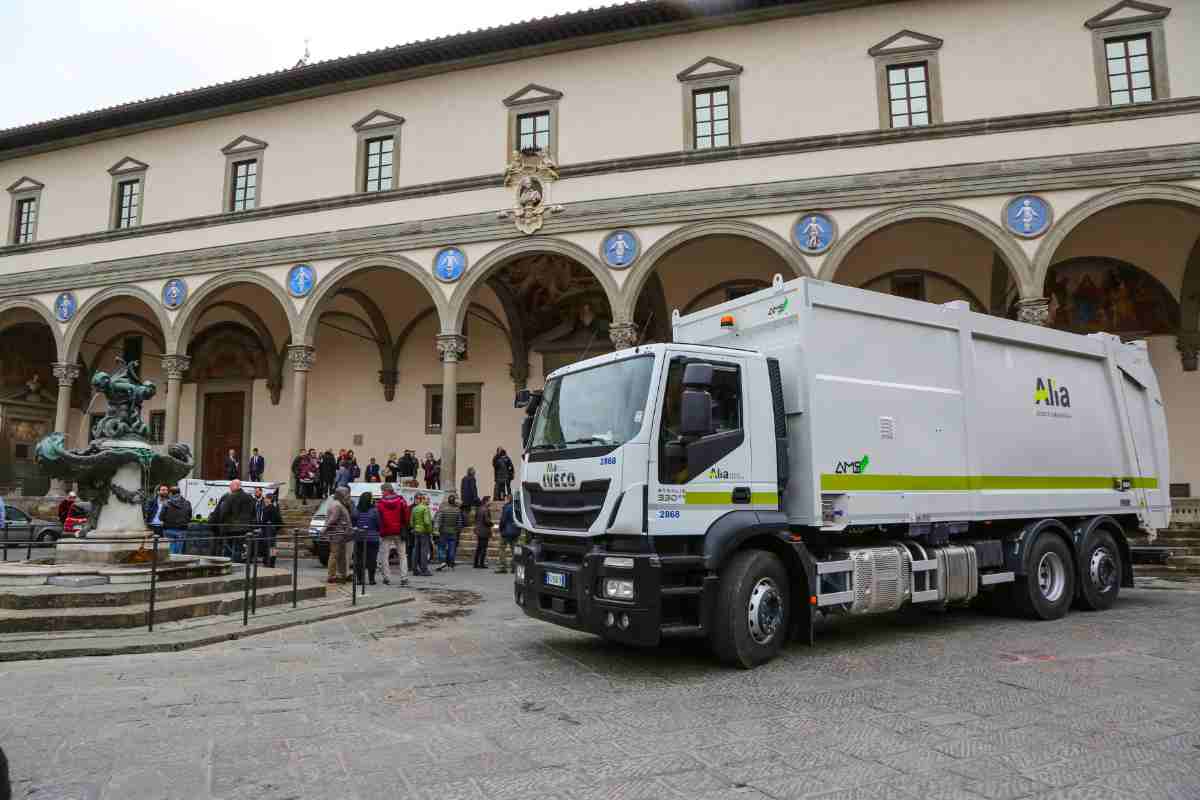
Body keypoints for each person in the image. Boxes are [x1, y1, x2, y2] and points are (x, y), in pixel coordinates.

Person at [209, 479, 257, 561]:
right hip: (246, 527)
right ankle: (238, 561)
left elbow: (224, 512)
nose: (230, 488)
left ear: (236, 486)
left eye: (231, 486)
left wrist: (220, 523)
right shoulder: (249, 497)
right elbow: (253, 512)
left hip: (231, 528)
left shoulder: (230, 497)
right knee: (239, 547)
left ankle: (230, 562)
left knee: (229, 547)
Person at [375, 483, 410, 587]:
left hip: (386, 531)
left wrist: (380, 528)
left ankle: (387, 578)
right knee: (402, 555)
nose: (382, 493)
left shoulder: (380, 503)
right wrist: (405, 525)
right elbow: (406, 514)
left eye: (382, 491)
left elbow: (379, 517)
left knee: (384, 555)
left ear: (386, 491)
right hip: (399, 530)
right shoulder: (401, 500)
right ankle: (404, 578)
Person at [325, 486, 353, 583]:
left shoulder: (340, 504)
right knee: (335, 554)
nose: (347, 495)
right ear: (340, 495)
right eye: (346, 494)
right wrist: (324, 529)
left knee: (341, 555)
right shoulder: (337, 505)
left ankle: (342, 574)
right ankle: (331, 575)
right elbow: (333, 519)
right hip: (337, 534)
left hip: (341, 534)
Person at [353, 492, 381, 587]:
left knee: (359, 559)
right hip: (373, 537)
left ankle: (360, 579)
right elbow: (378, 524)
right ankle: (371, 579)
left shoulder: (356, 510)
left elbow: (353, 523)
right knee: (372, 559)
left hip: (359, 537)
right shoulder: (374, 511)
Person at [435, 493, 465, 571]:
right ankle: (451, 564)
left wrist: (437, 529)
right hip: (453, 532)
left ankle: (443, 561)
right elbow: (459, 522)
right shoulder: (457, 510)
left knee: (442, 547)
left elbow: (439, 520)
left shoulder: (443, 509)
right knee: (452, 548)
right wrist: (458, 530)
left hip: (443, 531)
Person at [161, 486, 193, 556]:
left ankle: (170, 563)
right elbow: (189, 516)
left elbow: (161, 517)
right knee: (179, 550)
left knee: (170, 549)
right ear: (179, 493)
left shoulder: (166, 503)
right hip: (182, 529)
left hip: (168, 529)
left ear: (171, 493)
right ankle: (177, 563)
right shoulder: (187, 503)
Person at [410, 493, 434, 576]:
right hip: (424, 531)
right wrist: (430, 531)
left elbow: (411, 523)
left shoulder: (414, 508)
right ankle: (424, 569)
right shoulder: (425, 508)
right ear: (422, 499)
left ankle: (414, 569)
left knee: (416, 550)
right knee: (424, 551)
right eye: (426, 499)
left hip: (416, 531)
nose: (428, 501)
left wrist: (415, 528)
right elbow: (427, 522)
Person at [256, 491, 282, 567]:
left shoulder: (269, 508)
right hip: (271, 530)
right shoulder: (272, 507)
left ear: (269, 499)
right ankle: (271, 561)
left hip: (268, 530)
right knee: (272, 546)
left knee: (269, 546)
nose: (264, 499)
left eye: (266, 498)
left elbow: (276, 520)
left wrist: (263, 526)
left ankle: (269, 561)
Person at [496, 496, 518, 573]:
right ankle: (514, 567)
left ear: (508, 500)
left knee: (502, 549)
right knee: (514, 550)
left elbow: (503, 520)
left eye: (505, 499)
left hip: (506, 531)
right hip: (515, 531)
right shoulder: (517, 507)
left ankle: (503, 567)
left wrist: (500, 529)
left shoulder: (507, 507)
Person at [473, 496, 493, 569]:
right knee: (483, 548)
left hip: (478, 530)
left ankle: (475, 563)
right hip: (484, 531)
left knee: (479, 547)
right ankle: (481, 563)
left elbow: (475, 519)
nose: (490, 502)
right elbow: (487, 521)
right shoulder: (486, 510)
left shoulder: (478, 509)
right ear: (486, 501)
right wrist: (492, 524)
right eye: (489, 501)